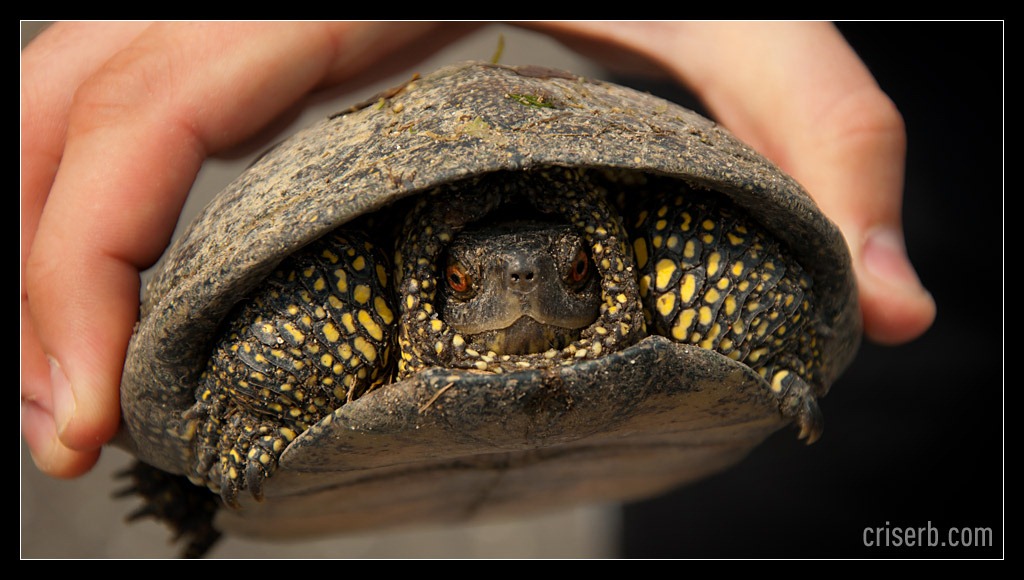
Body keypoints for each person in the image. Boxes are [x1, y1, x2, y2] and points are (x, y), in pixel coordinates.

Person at [21, 21, 935, 479]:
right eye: (466, 280)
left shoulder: (662, 255)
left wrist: (770, 336)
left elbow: (759, 279)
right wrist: (244, 399)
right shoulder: (365, 303)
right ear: (430, 281)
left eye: (574, 268)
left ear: (608, 266)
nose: (525, 289)